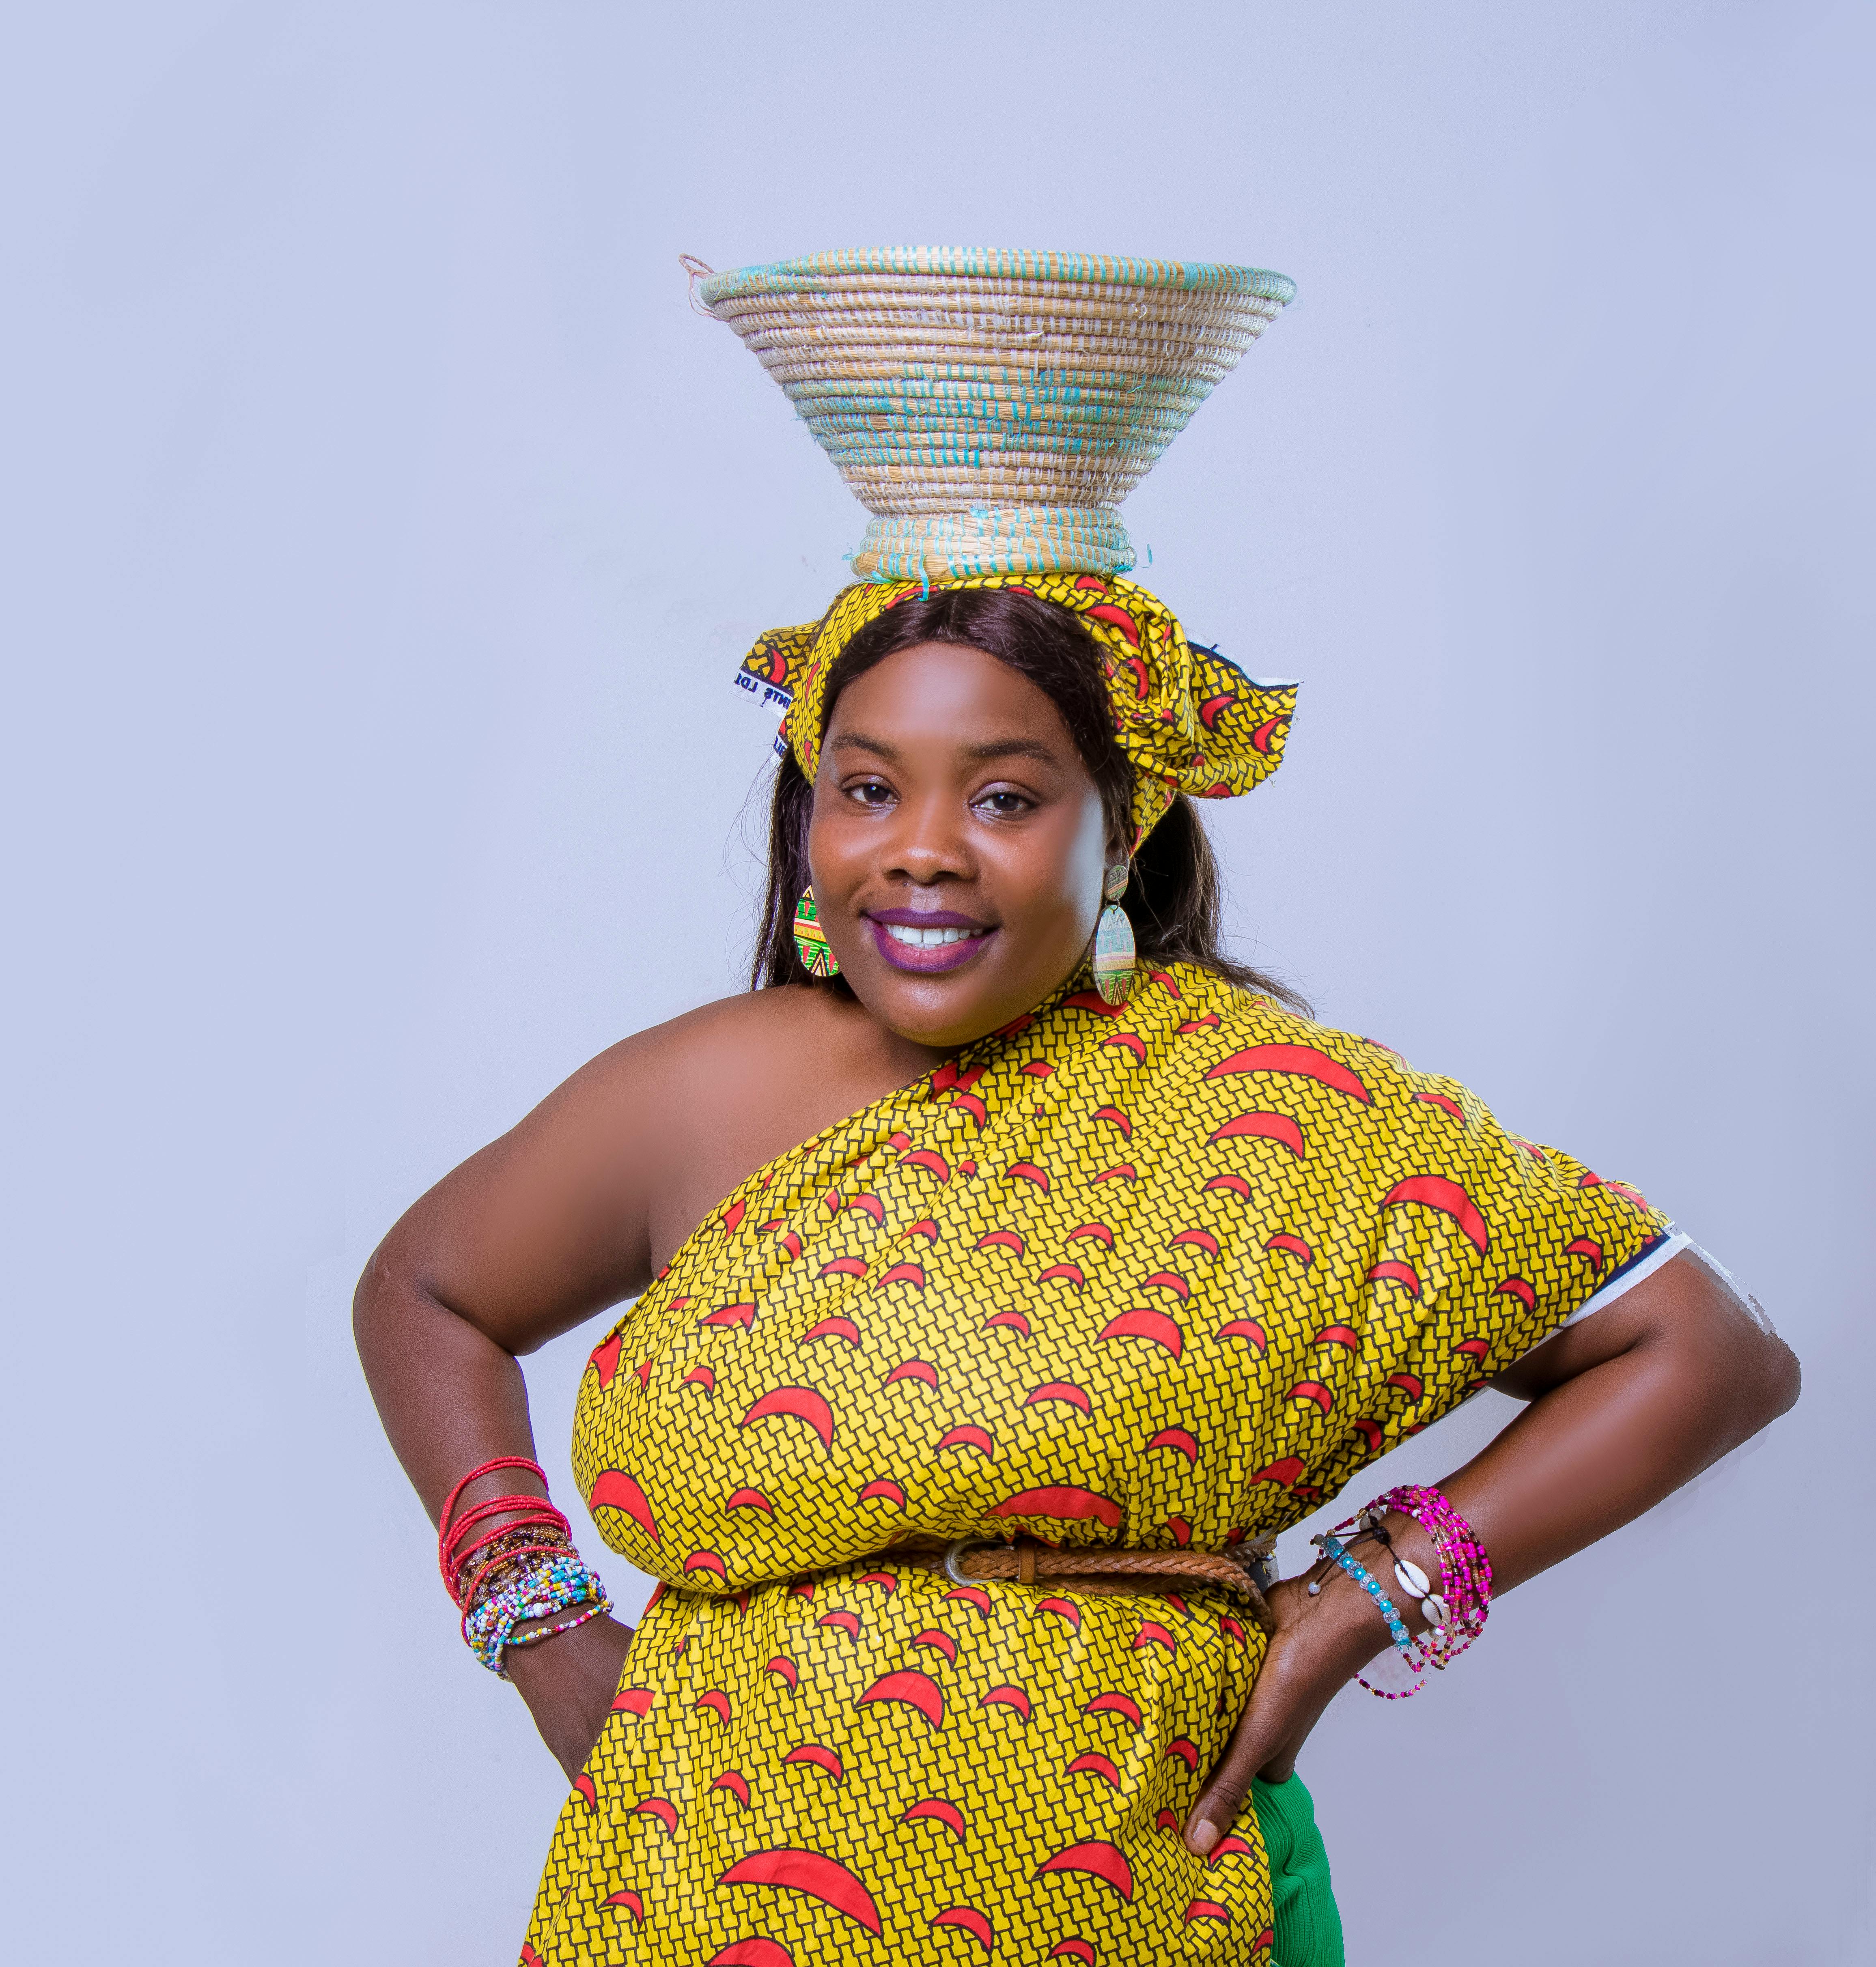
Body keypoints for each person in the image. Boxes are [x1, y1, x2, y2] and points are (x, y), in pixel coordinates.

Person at [354, 257, 1799, 1967]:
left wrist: (1361, 1601)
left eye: (1008, 795)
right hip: (700, 1890)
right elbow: (426, 1294)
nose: (919, 846)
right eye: (867, 785)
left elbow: (1701, 1350)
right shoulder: (704, 1089)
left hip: (1148, 1891)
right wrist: (539, 1630)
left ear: (1126, 829)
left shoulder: (1284, 1115)